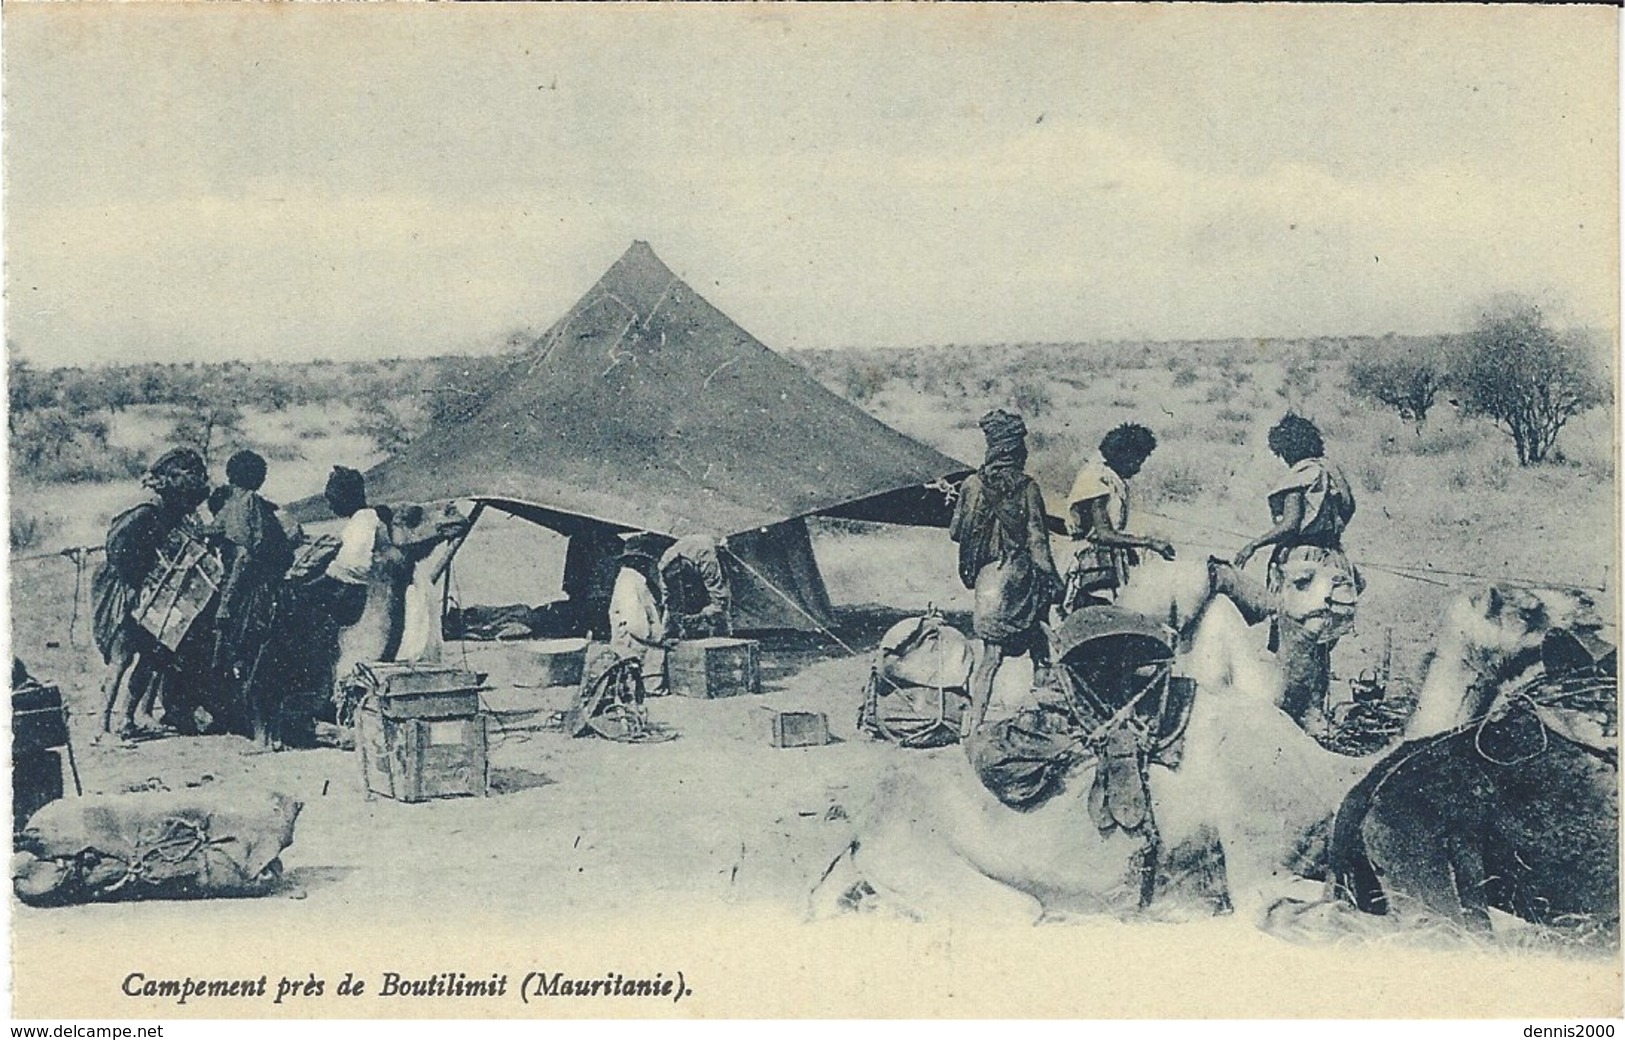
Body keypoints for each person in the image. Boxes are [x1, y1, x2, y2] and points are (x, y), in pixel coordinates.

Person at [1212, 413, 1361, 733]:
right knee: (1320, 640)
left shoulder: (1301, 476)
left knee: (1294, 640)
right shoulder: (1331, 472)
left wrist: (1255, 544)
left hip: (1303, 562)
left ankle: (1297, 718)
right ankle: (1316, 713)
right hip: (1332, 559)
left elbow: (1290, 524)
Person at [949, 409, 1062, 728]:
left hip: (989, 583)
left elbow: (956, 532)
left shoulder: (971, 484)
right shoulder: (1028, 488)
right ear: (1015, 451)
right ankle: (1044, 722)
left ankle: (974, 725)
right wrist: (1056, 581)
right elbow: (1039, 544)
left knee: (990, 660)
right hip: (1023, 581)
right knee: (1040, 655)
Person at [92, 447, 210, 741]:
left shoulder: (177, 507)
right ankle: (102, 725)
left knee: (153, 654)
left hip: (157, 589)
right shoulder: (145, 509)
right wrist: (136, 581)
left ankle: (129, 719)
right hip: (126, 586)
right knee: (122, 656)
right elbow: (117, 548)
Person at [209, 450, 293, 744]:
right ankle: (267, 733)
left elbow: (242, 557)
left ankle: (262, 737)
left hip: (252, 593)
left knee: (255, 661)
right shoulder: (250, 505)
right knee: (256, 660)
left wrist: (226, 603)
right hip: (261, 590)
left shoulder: (241, 505)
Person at [1064, 423, 1175, 610]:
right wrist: (1148, 542)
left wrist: (1128, 548)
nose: (1138, 468)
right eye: (1137, 461)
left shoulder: (1112, 477)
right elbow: (1103, 534)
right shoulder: (1096, 477)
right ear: (1124, 455)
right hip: (1092, 565)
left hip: (1107, 561)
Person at [607, 534, 672, 695]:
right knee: (645, 674)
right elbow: (635, 621)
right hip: (637, 642)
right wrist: (657, 638)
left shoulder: (632, 579)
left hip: (636, 640)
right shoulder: (630, 581)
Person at [658, 533, 734, 640]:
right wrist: (670, 630)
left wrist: (700, 616)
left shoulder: (707, 559)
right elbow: (669, 605)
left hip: (703, 555)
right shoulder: (664, 566)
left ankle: (721, 642)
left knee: (719, 617)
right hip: (687, 560)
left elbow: (720, 602)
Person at [562, 523, 625, 639]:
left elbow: (571, 576)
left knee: (581, 636)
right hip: (605, 596)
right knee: (602, 637)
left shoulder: (579, 540)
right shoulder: (620, 544)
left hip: (591, 597)